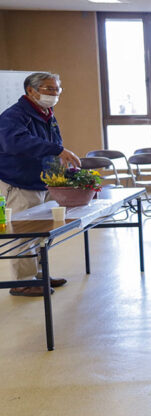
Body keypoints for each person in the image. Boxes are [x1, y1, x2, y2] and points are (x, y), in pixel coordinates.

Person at [0, 72, 80, 297]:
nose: (54, 93)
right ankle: (22, 283)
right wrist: (57, 151)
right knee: (24, 235)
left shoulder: (46, 114)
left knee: (41, 234)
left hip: (41, 182)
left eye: (56, 89)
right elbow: (15, 143)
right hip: (19, 183)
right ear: (31, 91)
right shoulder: (13, 116)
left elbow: (54, 142)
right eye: (48, 89)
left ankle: (39, 275)